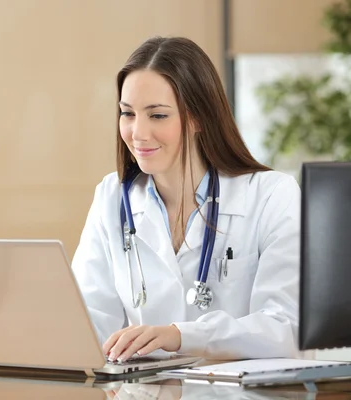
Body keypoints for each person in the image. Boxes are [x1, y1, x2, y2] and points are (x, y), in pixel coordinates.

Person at [71, 36, 300, 362]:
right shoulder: (112, 197)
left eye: (158, 115)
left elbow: (286, 330)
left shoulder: (272, 196)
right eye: (128, 113)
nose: (138, 133)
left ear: (198, 118)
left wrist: (180, 336)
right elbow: (87, 325)